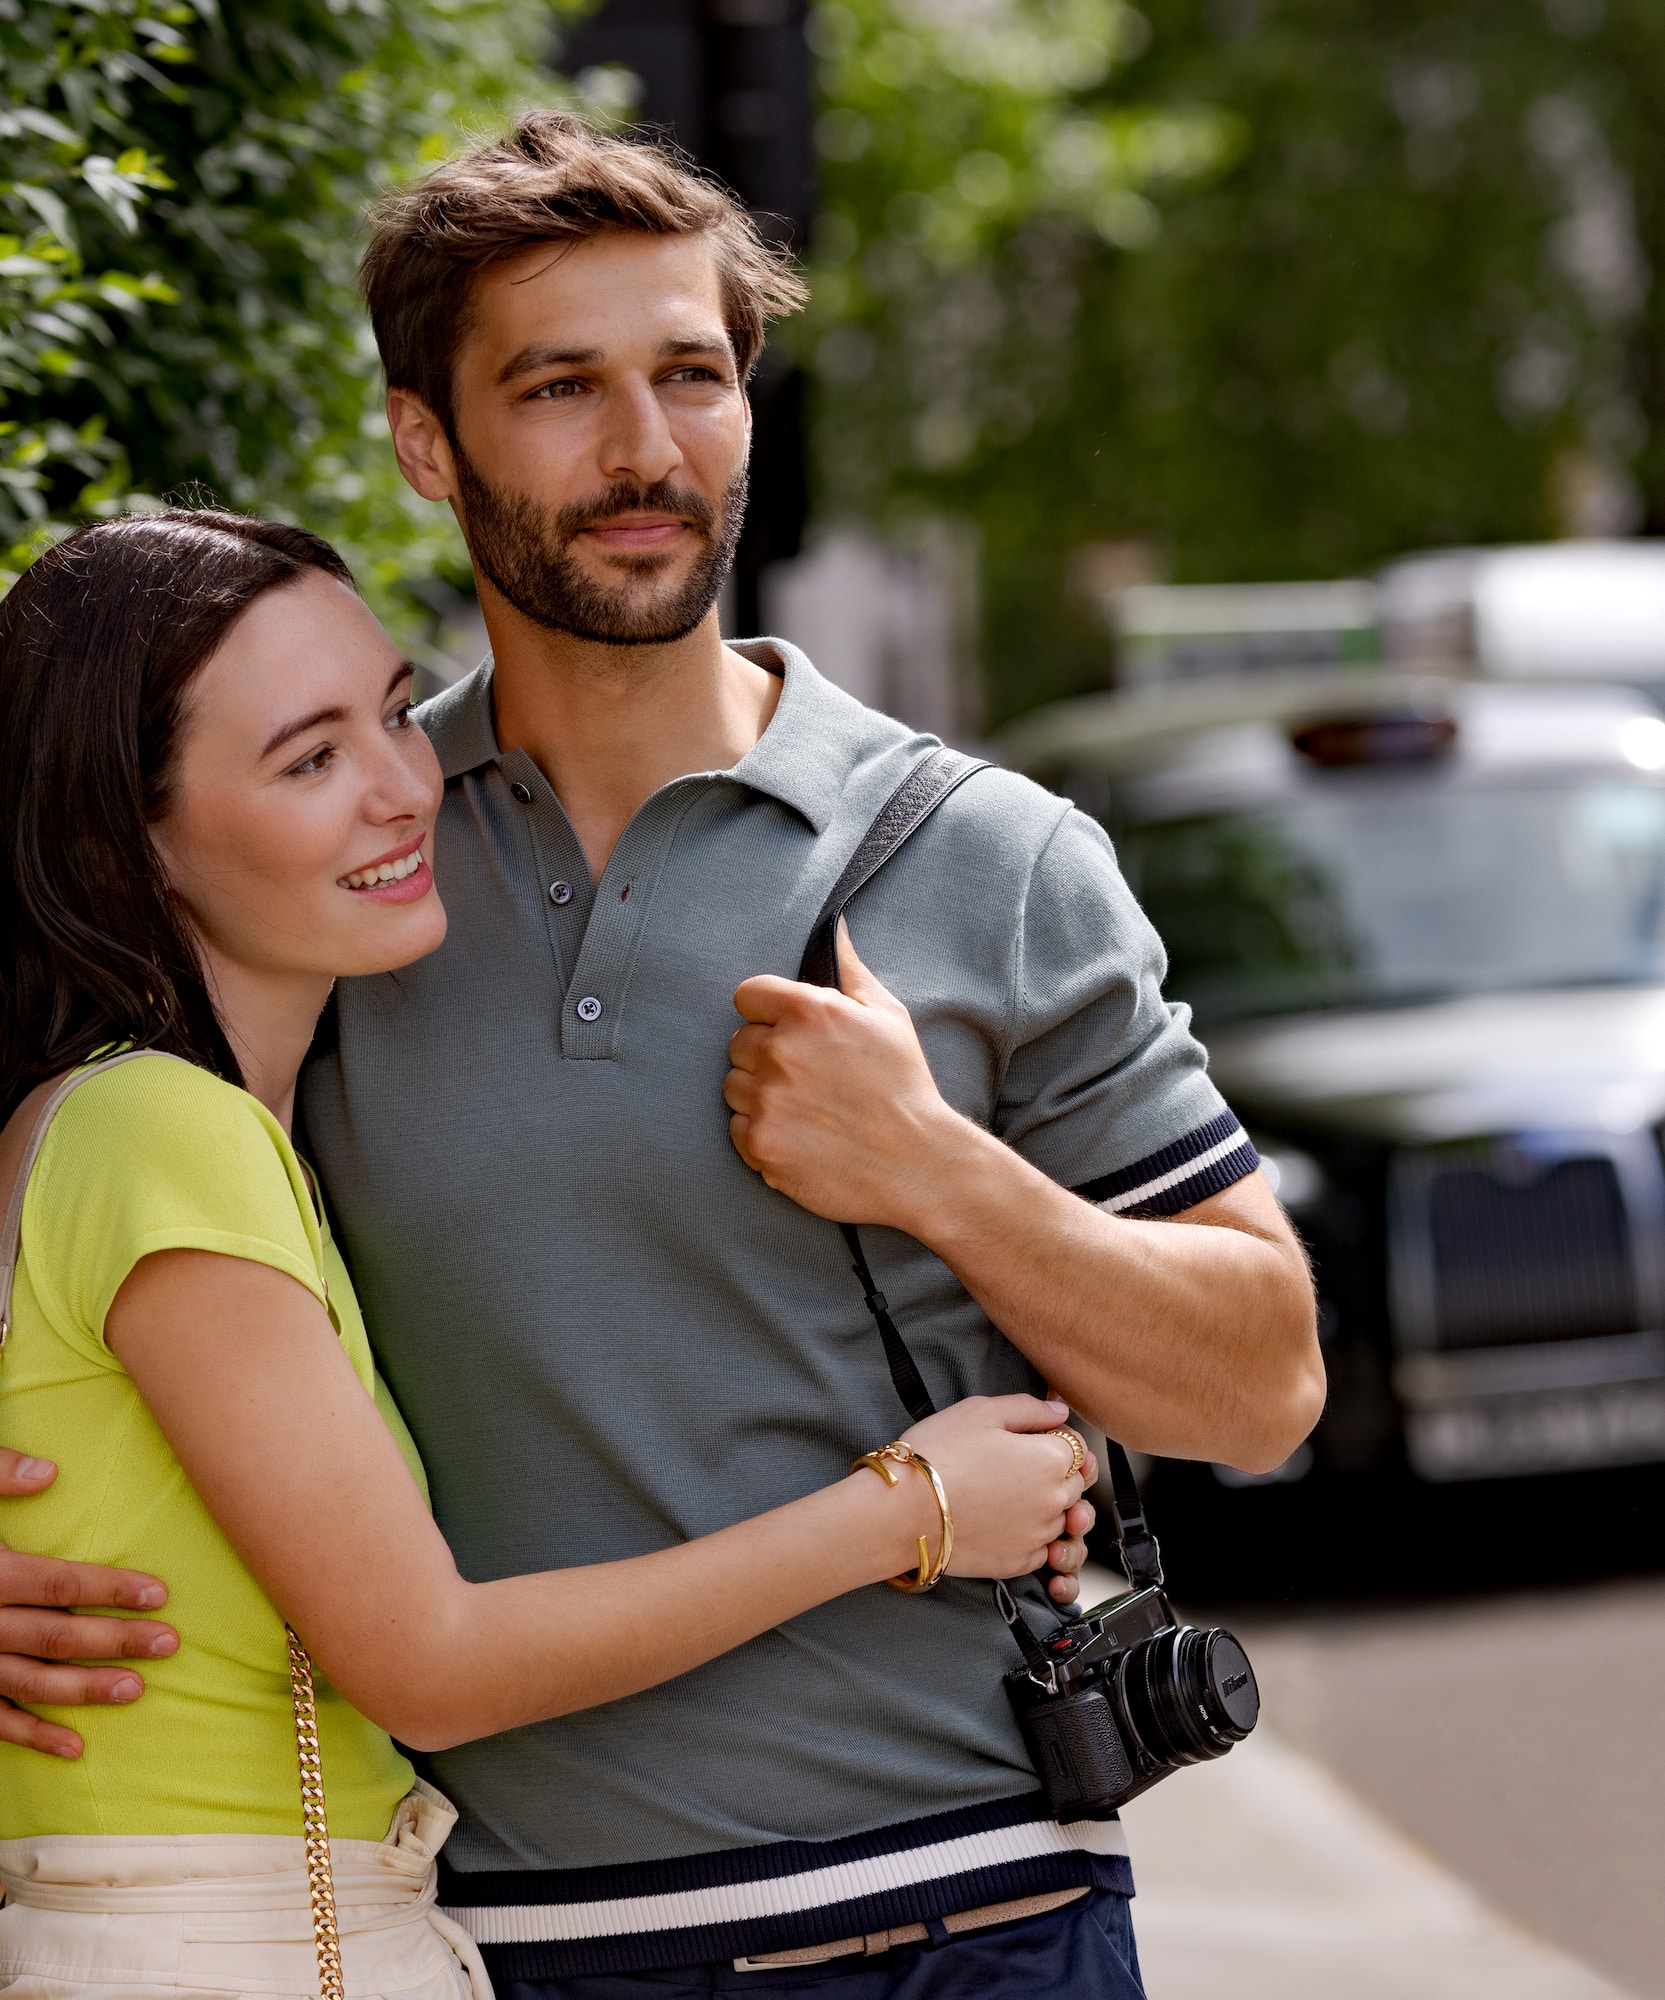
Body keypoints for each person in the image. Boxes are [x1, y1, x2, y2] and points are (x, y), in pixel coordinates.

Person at [2, 114, 1324, 1996]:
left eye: (691, 375)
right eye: (559, 388)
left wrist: (937, 1168)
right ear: (424, 442)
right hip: (510, 1948)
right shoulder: (339, 863)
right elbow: (68, 1240)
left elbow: (1262, 1387)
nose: (646, 450)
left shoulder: (987, 858)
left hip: (966, 1920)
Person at [0, 509, 1095, 1997]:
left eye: (393, 712)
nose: (400, 789)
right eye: (308, 759)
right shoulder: (163, 1135)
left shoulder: (159, 1125)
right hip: (231, 1941)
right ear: (124, 835)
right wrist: (908, 1507)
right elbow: (427, 1662)